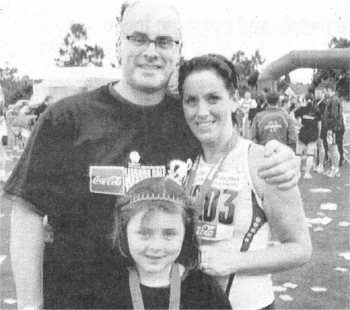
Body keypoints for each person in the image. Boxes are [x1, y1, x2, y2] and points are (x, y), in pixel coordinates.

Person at [4, 1, 300, 309]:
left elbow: (234, 152)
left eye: (163, 41)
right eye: (138, 38)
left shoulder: (189, 119)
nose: (151, 50)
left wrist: (280, 156)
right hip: (78, 298)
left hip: (167, 298)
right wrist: (29, 304)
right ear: (118, 44)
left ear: (178, 50)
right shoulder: (67, 118)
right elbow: (28, 211)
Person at [178, 54, 312, 310]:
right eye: (191, 101)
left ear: (235, 99)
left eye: (213, 98)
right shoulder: (183, 160)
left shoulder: (264, 161)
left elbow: (300, 248)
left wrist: (235, 261)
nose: (201, 111)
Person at [104, 176, 232, 309]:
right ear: (124, 232)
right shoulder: (105, 288)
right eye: (144, 233)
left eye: (169, 234)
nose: (156, 247)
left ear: (185, 234)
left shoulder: (205, 290)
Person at [294, 94, 322, 179]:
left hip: (303, 131)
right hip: (313, 132)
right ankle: (307, 173)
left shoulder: (302, 109)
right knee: (310, 153)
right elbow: (319, 123)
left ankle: (297, 172)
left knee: (298, 153)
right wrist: (319, 133)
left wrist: (299, 123)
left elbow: (293, 114)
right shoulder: (316, 109)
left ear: (305, 100)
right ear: (312, 100)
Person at [322, 84, 344, 177]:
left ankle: (336, 169)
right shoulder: (331, 100)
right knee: (331, 148)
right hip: (333, 128)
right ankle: (333, 168)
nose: (326, 93)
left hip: (335, 128)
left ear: (331, 91)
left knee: (334, 148)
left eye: (327, 91)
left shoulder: (334, 100)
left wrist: (330, 128)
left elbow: (334, 116)